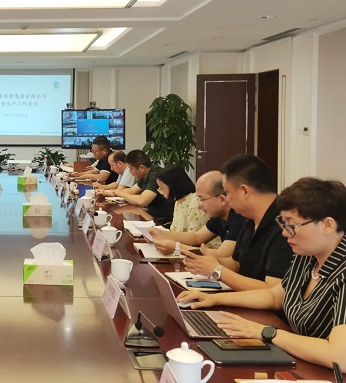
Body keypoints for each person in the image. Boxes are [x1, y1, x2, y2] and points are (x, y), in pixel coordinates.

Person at [177, 177, 346, 371]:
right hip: (301, 362)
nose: (285, 233)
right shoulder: (308, 256)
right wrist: (214, 299)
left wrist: (267, 333)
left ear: (328, 225)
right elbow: (275, 296)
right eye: (283, 224)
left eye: (292, 226)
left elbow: (339, 357)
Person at [181, 154, 293, 291]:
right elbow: (236, 263)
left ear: (244, 191)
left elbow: (272, 291)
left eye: (227, 192)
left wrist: (216, 270)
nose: (226, 199)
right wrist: (209, 261)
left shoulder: (284, 225)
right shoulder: (249, 219)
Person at [148, 170, 245, 257]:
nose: (199, 206)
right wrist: (160, 234)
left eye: (202, 199)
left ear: (222, 200)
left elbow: (221, 255)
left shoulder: (239, 217)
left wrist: (177, 247)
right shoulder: (219, 215)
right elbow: (197, 237)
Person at [111, 150, 174, 219]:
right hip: (150, 212)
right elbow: (132, 191)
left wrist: (121, 194)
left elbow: (142, 201)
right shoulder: (144, 173)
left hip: (161, 217)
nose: (130, 172)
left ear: (142, 168)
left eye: (131, 169)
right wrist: (110, 192)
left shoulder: (156, 175)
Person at [155, 164, 211, 236]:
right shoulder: (178, 201)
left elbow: (193, 237)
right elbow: (174, 230)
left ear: (172, 185)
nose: (160, 191)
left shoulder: (195, 203)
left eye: (161, 187)